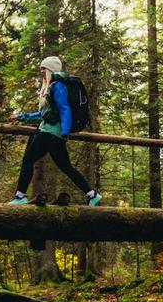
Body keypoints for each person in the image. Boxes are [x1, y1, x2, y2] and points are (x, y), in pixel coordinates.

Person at [7, 56, 102, 206]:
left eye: (43, 69)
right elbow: (43, 114)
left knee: (28, 160)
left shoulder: (57, 86)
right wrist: (21, 117)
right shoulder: (50, 87)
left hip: (49, 133)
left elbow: (65, 109)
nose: (42, 72)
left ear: (50, 69)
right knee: (66, 167)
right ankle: (92, 195)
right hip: (53, 133)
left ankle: (20, 196)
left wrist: (64, 132)